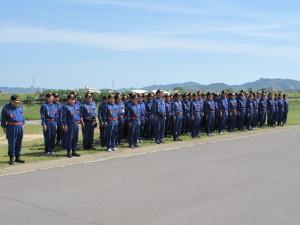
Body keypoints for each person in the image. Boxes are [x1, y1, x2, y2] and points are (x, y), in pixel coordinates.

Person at [1, 95, 25, 165]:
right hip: (11, 127)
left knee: (19, 142)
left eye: (18, 101)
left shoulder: (20, 108)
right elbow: (3, 120)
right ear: (11, 101)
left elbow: (23, 117)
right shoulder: (6, 108)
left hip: (20, 126)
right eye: (15, 101)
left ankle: (18, 157)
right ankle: (11, 158)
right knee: (12, 143)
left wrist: (23, 124)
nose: (17, 103)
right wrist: (4, 128)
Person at [61, 93, 81, 158]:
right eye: (71, 99)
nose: (73, 100)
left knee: (75, 138)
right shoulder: (65, 107)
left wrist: (79, 120)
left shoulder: (77, 106)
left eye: (74, 99)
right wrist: (64, 125)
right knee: (69, 139)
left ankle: (74, 151)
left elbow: (78, 114)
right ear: (68, 99)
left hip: (76, 124)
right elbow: (63, 117)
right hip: (69, 125)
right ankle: (68, 152)